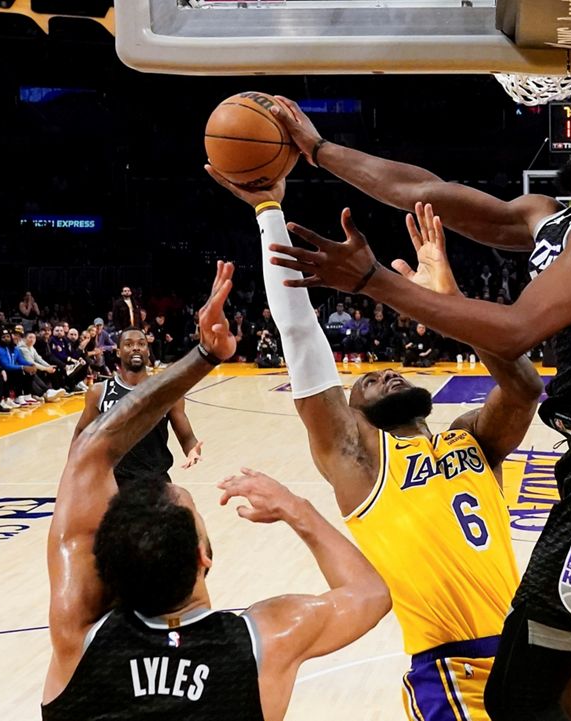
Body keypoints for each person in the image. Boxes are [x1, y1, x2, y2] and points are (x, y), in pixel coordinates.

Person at [262, 84, 571, 721]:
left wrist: (375, 281)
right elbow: (423, 191)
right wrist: (319, 150)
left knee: (516, 697)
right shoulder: (550, 213)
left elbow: (516, 330)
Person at [218, 182, 544, 721]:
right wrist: (268, 209)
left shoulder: (470, 438)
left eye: (388, 373)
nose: (387, 373)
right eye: (368, 381)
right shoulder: (361, 461)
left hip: (530, 657)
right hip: (454, 672)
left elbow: (526, 388)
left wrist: (450, 306)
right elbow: (300, 335)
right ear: (353, 417)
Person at [42, 261, 392, 721]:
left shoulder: (77, 639)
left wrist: (202, 357)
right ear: (204, 556)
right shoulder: (263, 641)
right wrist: (293, 506)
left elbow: (88, 452)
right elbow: (371, 593)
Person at [74, 328, 203, 486]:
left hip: (155, 481)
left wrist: (192, 451)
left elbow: (187, 437)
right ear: (118, 352)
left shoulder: (167, 391)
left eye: (141, 344)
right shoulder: (99, 392)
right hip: (111, 484)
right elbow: (81, 432)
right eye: (128, 344)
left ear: (148, 352)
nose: (135, 347)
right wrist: (75, 470)